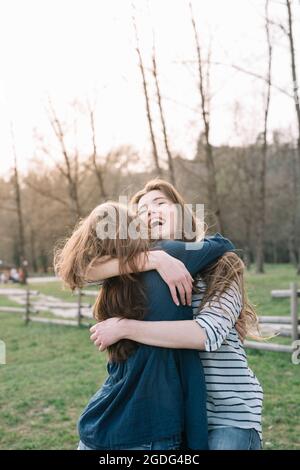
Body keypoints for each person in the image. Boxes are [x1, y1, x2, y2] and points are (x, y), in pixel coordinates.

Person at [88, 179, 263, 450]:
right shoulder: (137, 270)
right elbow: (80, 270)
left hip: (228, 414)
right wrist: (156, 259)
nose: (150, 212)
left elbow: (208, 333)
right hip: (176, 414)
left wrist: (125, 327)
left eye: (159, 204)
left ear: (182, 213)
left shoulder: (220, 262)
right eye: (142, 210)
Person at [54, 201, 234, 450]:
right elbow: (223, 243)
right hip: (151, 424)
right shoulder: (171, 253)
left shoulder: (112, 278)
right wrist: (157, 257)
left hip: (102, 419)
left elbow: (74, 269)